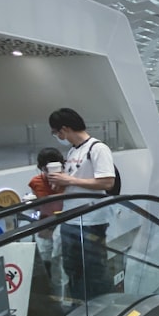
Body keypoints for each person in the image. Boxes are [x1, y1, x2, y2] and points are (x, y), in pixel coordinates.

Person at [46, 108, 116, 302]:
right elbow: (74, 181)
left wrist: (69, 181)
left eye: (56, 132)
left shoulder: (97, 149)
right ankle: (81, 306)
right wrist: (61, 183)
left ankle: (103, 309)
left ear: (65, 129)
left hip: (91, 220)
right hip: (71, 219)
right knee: (73, 269)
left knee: (94, 270)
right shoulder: (72, 151)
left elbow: (107, 182)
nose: (57, 137)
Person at [29, 147, 65, 279]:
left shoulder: (68, 180)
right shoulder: (37, 182)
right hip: (45, 224)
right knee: (47, 259)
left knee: (60, 260)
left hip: (64, 221)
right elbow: (41, 204)